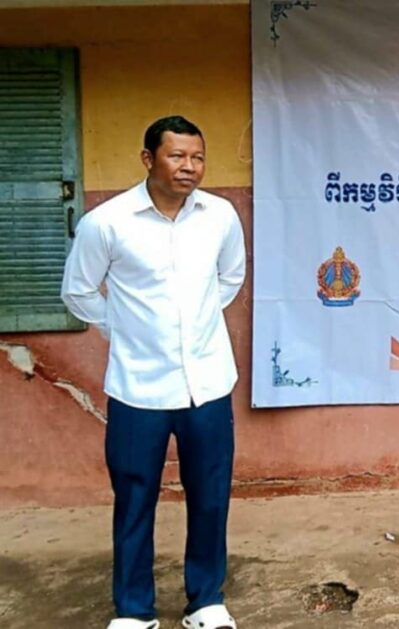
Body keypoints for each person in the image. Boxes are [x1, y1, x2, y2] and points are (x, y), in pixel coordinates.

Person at [61, 115, 245, 628]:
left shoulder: (220, 216)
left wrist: (196, 325)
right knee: (134, 497)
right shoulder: (107, 222)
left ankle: (205, 601)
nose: (190, 167)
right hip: (138, 387)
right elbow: (78, 290)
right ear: (148, 159)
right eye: (177, 156)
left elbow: (230, 276)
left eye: (198, 157)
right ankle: (134, 610)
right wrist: (123, 329)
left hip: (208, 383)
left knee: (210, 496)